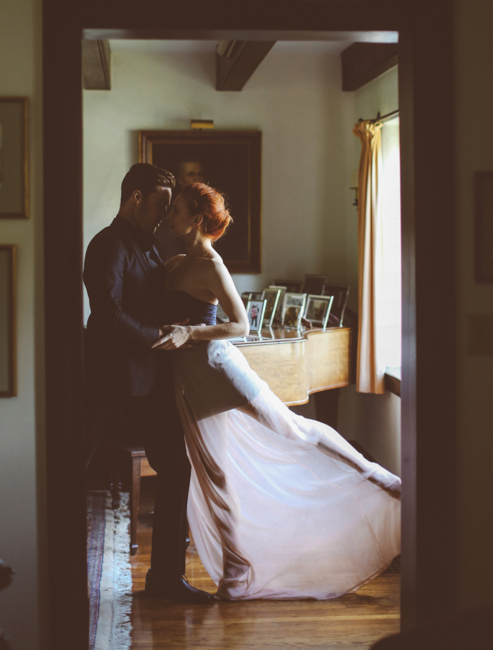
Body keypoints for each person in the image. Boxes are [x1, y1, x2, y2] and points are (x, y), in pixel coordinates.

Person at [152, 182, 401, 601]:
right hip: (189, 380)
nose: (169, 216)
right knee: (215, 473)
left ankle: (383, 480)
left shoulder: (211, 265)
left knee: (295, 430)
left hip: (219, 369)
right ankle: (236, 571)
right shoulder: (174, 261)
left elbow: (240, 325)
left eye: (176, 210)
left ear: (196, 219)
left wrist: (189, 331)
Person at [83, 163, 214, 604]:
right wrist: (160, 338)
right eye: (160, 204)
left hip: (148, 380)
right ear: (136, 197)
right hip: (115, 383)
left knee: (176, 467)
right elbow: (107, 313)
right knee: (75, 471)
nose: (163, 215)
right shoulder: (107, 244)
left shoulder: (151, 245)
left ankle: (164, 579)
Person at [154, 156, 205, 261]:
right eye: (191, 174)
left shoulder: (209, 211)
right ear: (180, 180)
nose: (197, 179)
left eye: (199, 174)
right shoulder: (169, 217)